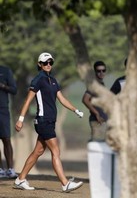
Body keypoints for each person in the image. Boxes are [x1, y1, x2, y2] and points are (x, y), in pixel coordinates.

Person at [14, 52, 84, 192]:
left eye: (50, 62)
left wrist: (75, 110)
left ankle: (20, 179)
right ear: (39, 64)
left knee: (38, 151)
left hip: (50, 121)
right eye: (45, 63)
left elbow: (62, 99)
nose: (48, 65)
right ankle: (65, 183)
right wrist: (20, 119)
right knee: (56, 151)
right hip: (42, 121)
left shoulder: (53, 80)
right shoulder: (37, 80)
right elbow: (28, 101)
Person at [82, 61, 108, 142]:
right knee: (97, 146)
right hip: (97, 121)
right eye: (98, 71)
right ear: (95, 72)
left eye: (103, 70)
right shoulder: (94, 85)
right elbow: (85, 99)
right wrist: (96, 113)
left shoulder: (101, 84)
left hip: (103, 120)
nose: (101, 73)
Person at [0, 64, 18, 179]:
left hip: (3, 110)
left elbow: (14, 89)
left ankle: (10, 169)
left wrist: (2, 86)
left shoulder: (5, 71)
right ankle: (0, 169)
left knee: (6, 138)